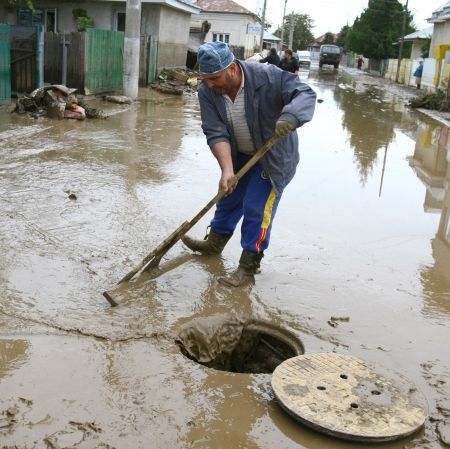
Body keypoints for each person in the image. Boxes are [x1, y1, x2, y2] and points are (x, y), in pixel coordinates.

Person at [182, 41, 316, 287]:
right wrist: (227, 170)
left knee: (257, 207)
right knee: (228, 197)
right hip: (238, 154)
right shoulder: (207, 91)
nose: (210, 84)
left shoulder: (268, 77)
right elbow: (215, 131)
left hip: (272, 157)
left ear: (232, 69)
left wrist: (290, 116)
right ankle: (214, 244)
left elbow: (305, 93)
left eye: (215, 78)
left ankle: (248, 267)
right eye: (205, 79)